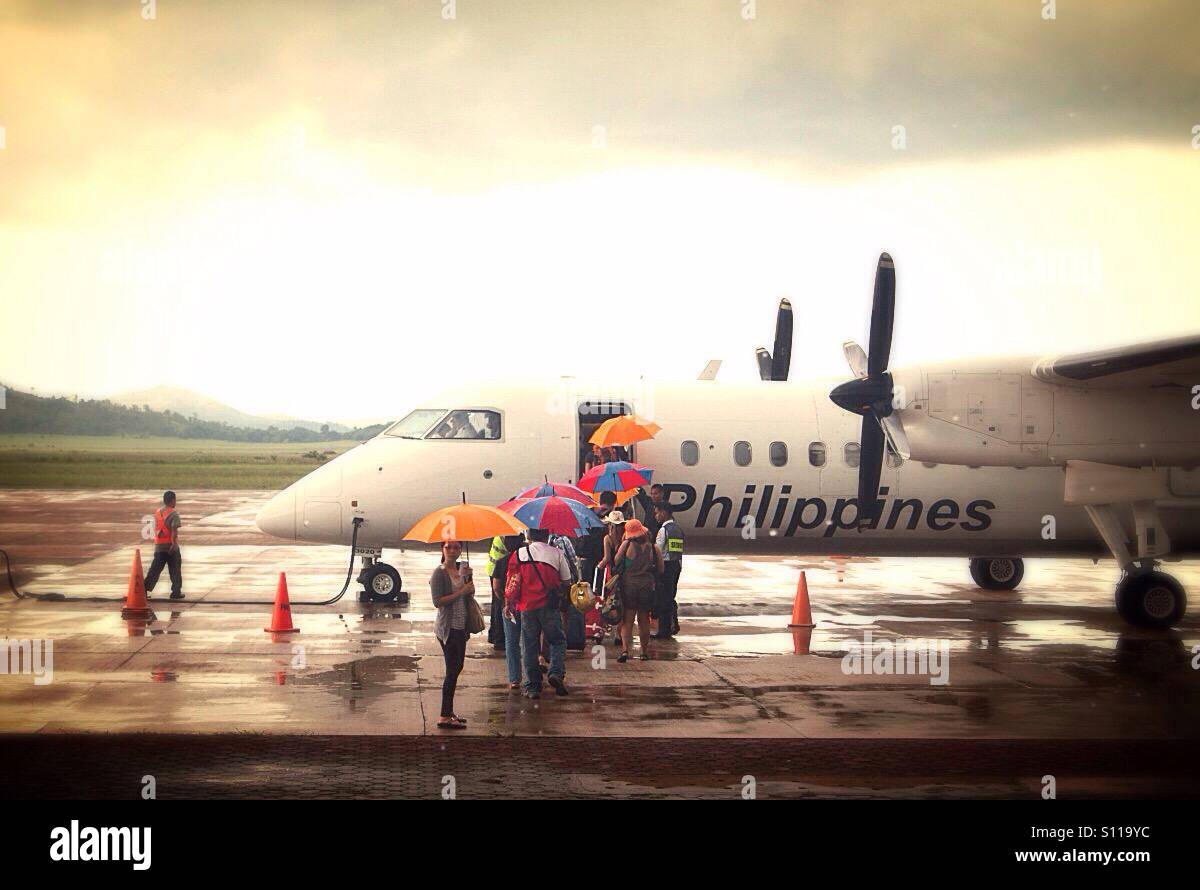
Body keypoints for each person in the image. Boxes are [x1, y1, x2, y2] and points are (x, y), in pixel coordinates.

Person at [506, 528, 573, 699]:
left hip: (527, 607)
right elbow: (567, 580)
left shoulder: (519, 554)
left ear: (528, 536)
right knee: (557, 640)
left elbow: (512, 582)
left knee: (529, 646)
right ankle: (556, 672)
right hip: (549, 606)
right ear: (547, 535)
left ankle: (533, 687)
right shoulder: (556, 553)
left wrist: (509, 603)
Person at [429, 539, 474, 729]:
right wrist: (461, 592)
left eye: (456, 547)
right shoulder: (439, 573)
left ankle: (449, 712)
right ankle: (444, 716)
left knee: (457, 667)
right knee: (452, 669)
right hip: (448, 628)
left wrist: (469, 581)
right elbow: (438, 601)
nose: (453, 551)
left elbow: (470, 594)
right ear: (442, 549)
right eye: (449, 547)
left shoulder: (461, 570)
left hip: (461, 626)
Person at [612, 518, 663, 662]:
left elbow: (616, 561)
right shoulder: (654, 548)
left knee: (628, 620)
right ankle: (643, 652)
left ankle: (625, 651)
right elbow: (661, 569)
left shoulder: (627, 545)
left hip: (629, 585)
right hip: (646, 586)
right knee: (644, 620)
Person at [490, 534, 526, 690]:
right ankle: (532, 676)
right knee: (528, 641)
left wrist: (504, 600)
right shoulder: (526, 561)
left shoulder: (501, 562)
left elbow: (496, 587)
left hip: (509, 607)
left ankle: (514, 679)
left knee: (511, 642)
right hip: (526, 605)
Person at [651, 502, 684, 639]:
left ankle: (664, 630)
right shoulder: (677, 529)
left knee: (663, 598)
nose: (656, 516)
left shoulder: (663, 530)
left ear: (664, 512)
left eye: (657, 512)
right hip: (676, 565)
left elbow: (657, 550)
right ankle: (672, 625)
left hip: (665, 567)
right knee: (670, 597)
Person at [144, 490, 184, 600]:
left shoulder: (157, 513)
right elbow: (174, 531)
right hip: (170, 547)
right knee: (175, 570)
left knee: (154, 570)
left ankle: (145, 590)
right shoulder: (174, 514)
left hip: (159, 547)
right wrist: (173, 544)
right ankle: (176, 592)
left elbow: (155, 528)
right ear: (172, 500)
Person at [485, 535, 509, 650]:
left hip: (495, 569)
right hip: (500, 572)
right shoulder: (511, 533)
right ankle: (499, 638)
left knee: (496, 605)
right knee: (501, 605)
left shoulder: (502, 531)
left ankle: (495, 635)